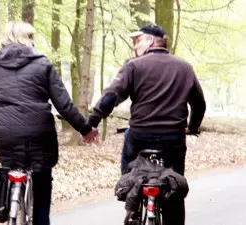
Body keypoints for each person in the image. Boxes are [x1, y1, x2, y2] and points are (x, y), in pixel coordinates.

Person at [0, 21, 98, 225]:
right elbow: (64, 105)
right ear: (26, 39)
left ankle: (6, 205)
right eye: (31, 37)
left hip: (3, 134)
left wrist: (3, 119)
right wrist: (85, 129)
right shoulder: (42, 63)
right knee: (42, 178)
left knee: (8, 166)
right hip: (39, 133)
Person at [87, 24, 206, 225]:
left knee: (130, 171)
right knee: (174, 187)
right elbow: (199, 105)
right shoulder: (185, 68)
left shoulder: (134, 66)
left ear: (151, 41)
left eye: (138, 41)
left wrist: (92, 123)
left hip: (140, 136)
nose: (135, 46)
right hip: (174, 138)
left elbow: (110, 97)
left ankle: (132, 202)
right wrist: (192, 128)